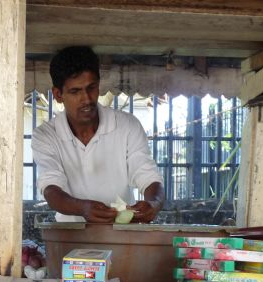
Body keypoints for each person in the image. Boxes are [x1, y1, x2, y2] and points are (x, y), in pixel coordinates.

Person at [32, 46, 165, 224]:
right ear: (58, 94)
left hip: (122, 237)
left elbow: (148, 176)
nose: (86, 98)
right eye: (75, 91)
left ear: (99, 85)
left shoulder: (127, 125)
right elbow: (51, 189)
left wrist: (153, 204)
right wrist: (82, 208)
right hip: (71, 238)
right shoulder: (46, 135)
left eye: (91, 88)